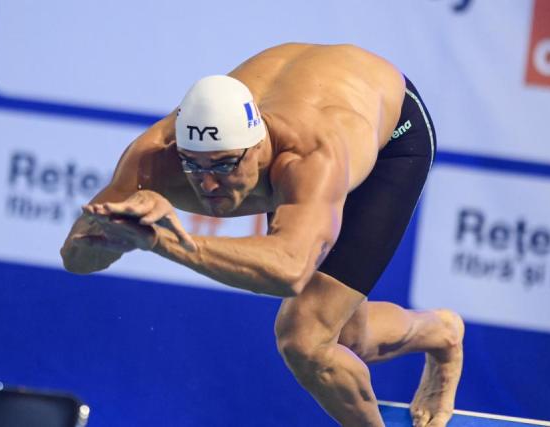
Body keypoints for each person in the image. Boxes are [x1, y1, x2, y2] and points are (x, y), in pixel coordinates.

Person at [60, 43, 464, 427]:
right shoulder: (155, 156)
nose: (207, 185)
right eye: (193, 167)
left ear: (257, 149)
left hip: (391, 133)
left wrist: (165, 241)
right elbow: (74, 260)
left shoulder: (306, 157)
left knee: (305, 339)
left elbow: (290, 271)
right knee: (349, 339)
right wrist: (116, 232)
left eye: (222, 166)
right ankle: (442, 332)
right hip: (300, 112)